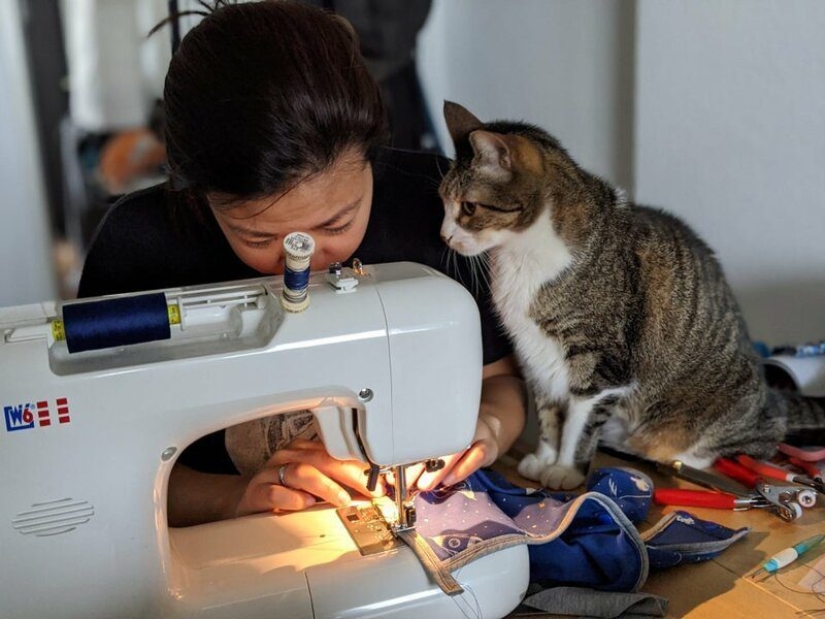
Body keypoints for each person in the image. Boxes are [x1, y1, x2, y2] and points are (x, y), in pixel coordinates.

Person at [78, 0, 526, 527]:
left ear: (372, 157)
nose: (303, 256)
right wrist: (236, 497)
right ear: (195, 194)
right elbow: (95, 461)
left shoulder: (436, 209)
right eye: (259, 236)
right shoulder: (141, 246)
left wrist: (486, 427)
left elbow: (499, 382)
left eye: (336, 225)